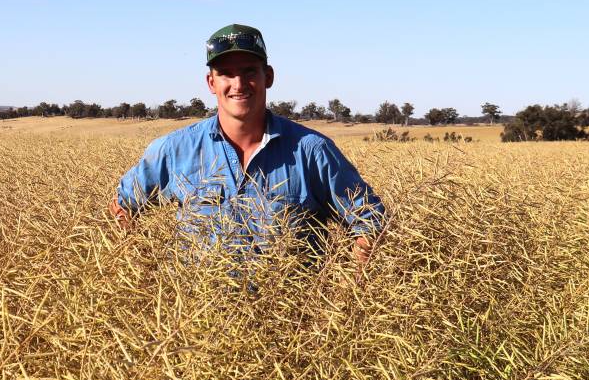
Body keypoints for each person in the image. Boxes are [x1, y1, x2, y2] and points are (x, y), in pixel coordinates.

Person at [109, 24, 385, 262]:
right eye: (226, 73)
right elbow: (122, 206)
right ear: (211, 82)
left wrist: (345, 291)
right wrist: (143, 271)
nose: (238, 83)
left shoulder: (312, 151)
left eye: (249, 71)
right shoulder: (174, 150)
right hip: (193, 319)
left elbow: (371, 221)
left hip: (293, 320)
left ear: (269, 77)